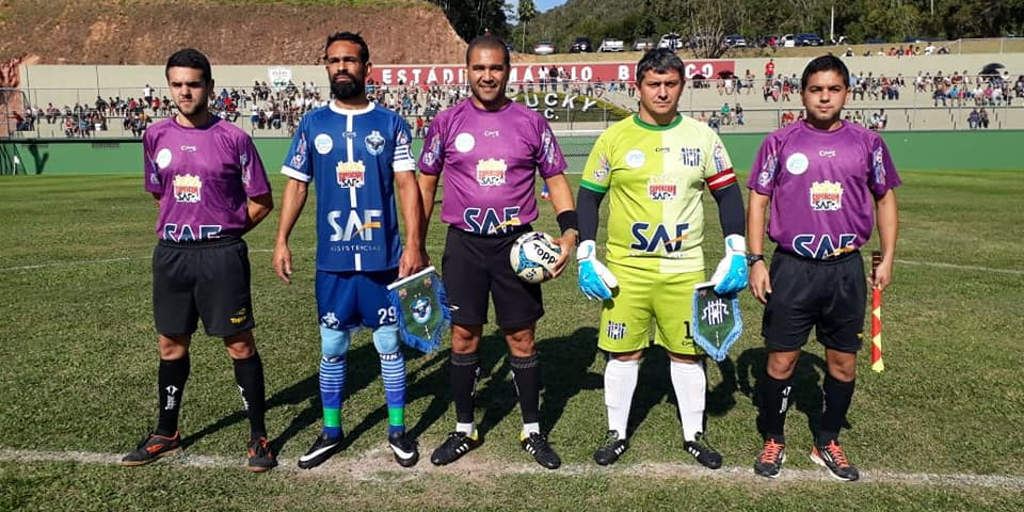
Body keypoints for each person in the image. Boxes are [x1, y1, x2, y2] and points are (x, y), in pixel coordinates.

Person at [576, 49, 748, 468]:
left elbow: (727, 194)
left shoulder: (703, 137)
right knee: (623, 353)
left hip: (683, 270)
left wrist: (737, 249)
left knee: (688, 354)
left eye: (670, 84)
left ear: (682, 86)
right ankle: (616, 433)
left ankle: (694, 435)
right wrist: (585, 252)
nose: (662, 92)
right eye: (654, 84)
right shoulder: (613, 138)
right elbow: (588, 198)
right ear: (638, 87)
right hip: (626, 272)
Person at [417, 34, 578, 470]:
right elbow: (425, 183)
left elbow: (557, 178)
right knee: (463, 335)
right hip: (464, 245)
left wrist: (569, 233)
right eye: (479, 68)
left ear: (509, 71)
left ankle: (532, 430)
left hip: (516, 246)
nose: (487, 76)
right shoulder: (446, 122)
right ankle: (464, 428)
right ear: (466, 71)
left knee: (521, 338)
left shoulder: (531, 122)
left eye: (496, 68)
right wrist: (415, 243)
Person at [272, 31, 428, 469]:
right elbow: (296, 185)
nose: (342, 67)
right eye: (335, 60)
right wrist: (281, 239)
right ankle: (331, 431)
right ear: (326, 66)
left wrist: (414, 244)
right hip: (334, 264)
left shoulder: (392, 123)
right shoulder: (312, 124)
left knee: (389, 345)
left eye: (351, 60)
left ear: (366, 67)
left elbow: (406, 186)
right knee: (333, 346)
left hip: (383, 261)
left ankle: (397, 430)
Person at [747, 55, 900, 481]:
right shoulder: (779, 142)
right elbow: (758, 200)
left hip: (844, 270)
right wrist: (756, 259)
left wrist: (887, 256)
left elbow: (884, 198)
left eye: (833, 89)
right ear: (803, 93)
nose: (825, 97)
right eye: (816, 89)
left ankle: (827, 440)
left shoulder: (868, 143)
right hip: (792, 268)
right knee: (781, 362)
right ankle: (774, 437)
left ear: (846, 93)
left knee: (842, 364)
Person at [122, 48, 276, 472]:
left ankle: (258, 435)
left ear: (209, 86)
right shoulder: (155, 136)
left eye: (193, 83)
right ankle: (166, 432)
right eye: (177, 84)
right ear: (169, 87)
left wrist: (225, 232)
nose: (185, 92)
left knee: (239, 343)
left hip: (221, 255)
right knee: (170, 344)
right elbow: (161, 195)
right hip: (172, 254)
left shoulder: (234, 138)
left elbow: (261, 201)